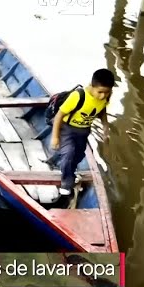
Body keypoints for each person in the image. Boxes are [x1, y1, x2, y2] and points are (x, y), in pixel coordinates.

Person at [50, 68, 114, 198]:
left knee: (78, 155)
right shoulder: (78, 96)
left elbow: (102, 111)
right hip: (67, 129)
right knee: (68, 153)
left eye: (106, 92)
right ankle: (66, 182)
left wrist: (106, 128)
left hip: (84, 131)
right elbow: (59, 116)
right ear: (92, 86)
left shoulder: (105, 97)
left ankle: (68, 169)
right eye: (100, 92)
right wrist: (55, 137)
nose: (102, 96)